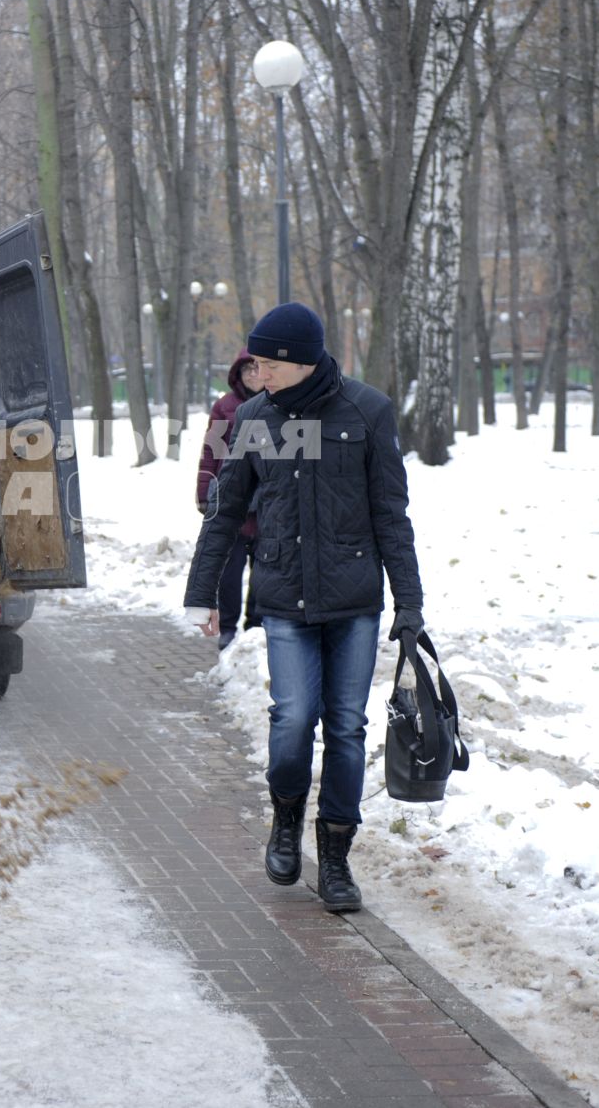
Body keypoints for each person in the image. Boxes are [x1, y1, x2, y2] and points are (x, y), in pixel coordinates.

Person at [182, 303, 424, 913]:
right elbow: (226, 511)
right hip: (284, 598)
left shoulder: (367, 410)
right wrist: (200, 591)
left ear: (291, 360)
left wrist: (410, 606)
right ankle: (286, 819)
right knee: (292, 720)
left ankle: (336, 858)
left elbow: (392, 515)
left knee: (346, 728)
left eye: (262, 359)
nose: (253, 368)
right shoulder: (254, 417)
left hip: (354, 604)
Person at [197, 351, 260, 650]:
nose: (253, 375)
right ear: (238, 374)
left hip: (269, 504)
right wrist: (203, 493)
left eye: (257, 369)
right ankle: (229, 629)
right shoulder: (224, 407)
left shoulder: (281, 405)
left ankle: (257, 627)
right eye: (247, 370)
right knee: (230, 572)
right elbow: (211, 452)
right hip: (233, 502)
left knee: (264, 572)